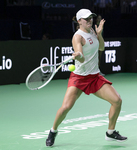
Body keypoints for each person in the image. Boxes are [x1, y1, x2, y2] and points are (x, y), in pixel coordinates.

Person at [46, 8, 127, 147]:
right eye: (86, 18)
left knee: (117, 100)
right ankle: (53, 131)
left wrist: (99, 34)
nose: (90, 20)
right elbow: (81, 58)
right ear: (79, 21)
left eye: (91, 18)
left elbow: (101, 48)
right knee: (66, 107)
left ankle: (110, 132)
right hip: (79, 78)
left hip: (94, 77)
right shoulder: (77, 37)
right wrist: (79, 55)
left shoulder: (92, 32)